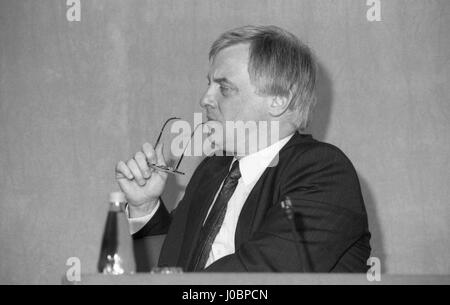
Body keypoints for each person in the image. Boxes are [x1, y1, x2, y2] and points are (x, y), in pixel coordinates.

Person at [115, 25, 371, 272]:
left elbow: (262, 275)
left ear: (278, 100)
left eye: (224, 88)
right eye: (209, 85)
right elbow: (168, 268)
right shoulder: (212, 170)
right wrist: (145, 208)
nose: (205, 99)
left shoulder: (323, 172)